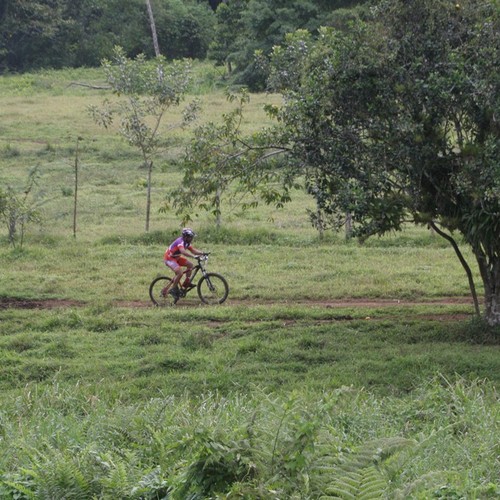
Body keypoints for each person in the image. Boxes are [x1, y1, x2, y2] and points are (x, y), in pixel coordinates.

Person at [163, 227, 205, 299]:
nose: (191, 239)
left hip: (177, 258)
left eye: (192, 237)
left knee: (190, 265)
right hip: (169, 259)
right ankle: (173, 289)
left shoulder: (187, 243)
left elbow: (193, 251)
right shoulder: (180, 241)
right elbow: (183, 252)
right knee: (180, 273)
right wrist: (193, 256)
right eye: (190, 237)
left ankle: (186, 283)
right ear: (185, 237)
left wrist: (203, 253)